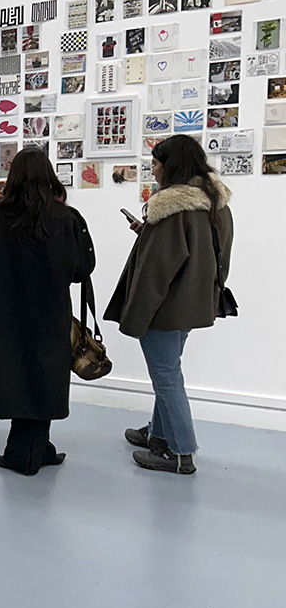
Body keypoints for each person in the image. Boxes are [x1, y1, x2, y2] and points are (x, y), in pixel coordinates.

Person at [105, 134, 234, 475]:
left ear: (171, 166)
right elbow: (212, 256)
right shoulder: (216, 205)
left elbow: (156, 272)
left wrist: (135, 317)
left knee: (166, 377)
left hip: (165, 307)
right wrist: (148, 234)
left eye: (156, 163)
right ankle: (159, 435)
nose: (153, 169)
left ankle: (180, 452)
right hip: (194, 304)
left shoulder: (171, 210)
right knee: (168, 371)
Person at [0, 147, 95, 475]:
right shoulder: (65, 218)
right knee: (45, 377)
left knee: (17, 377)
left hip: (7, 314)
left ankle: (30, 451)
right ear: (48, 175)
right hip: (51, 313)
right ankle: (29, 454)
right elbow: (82, 268)